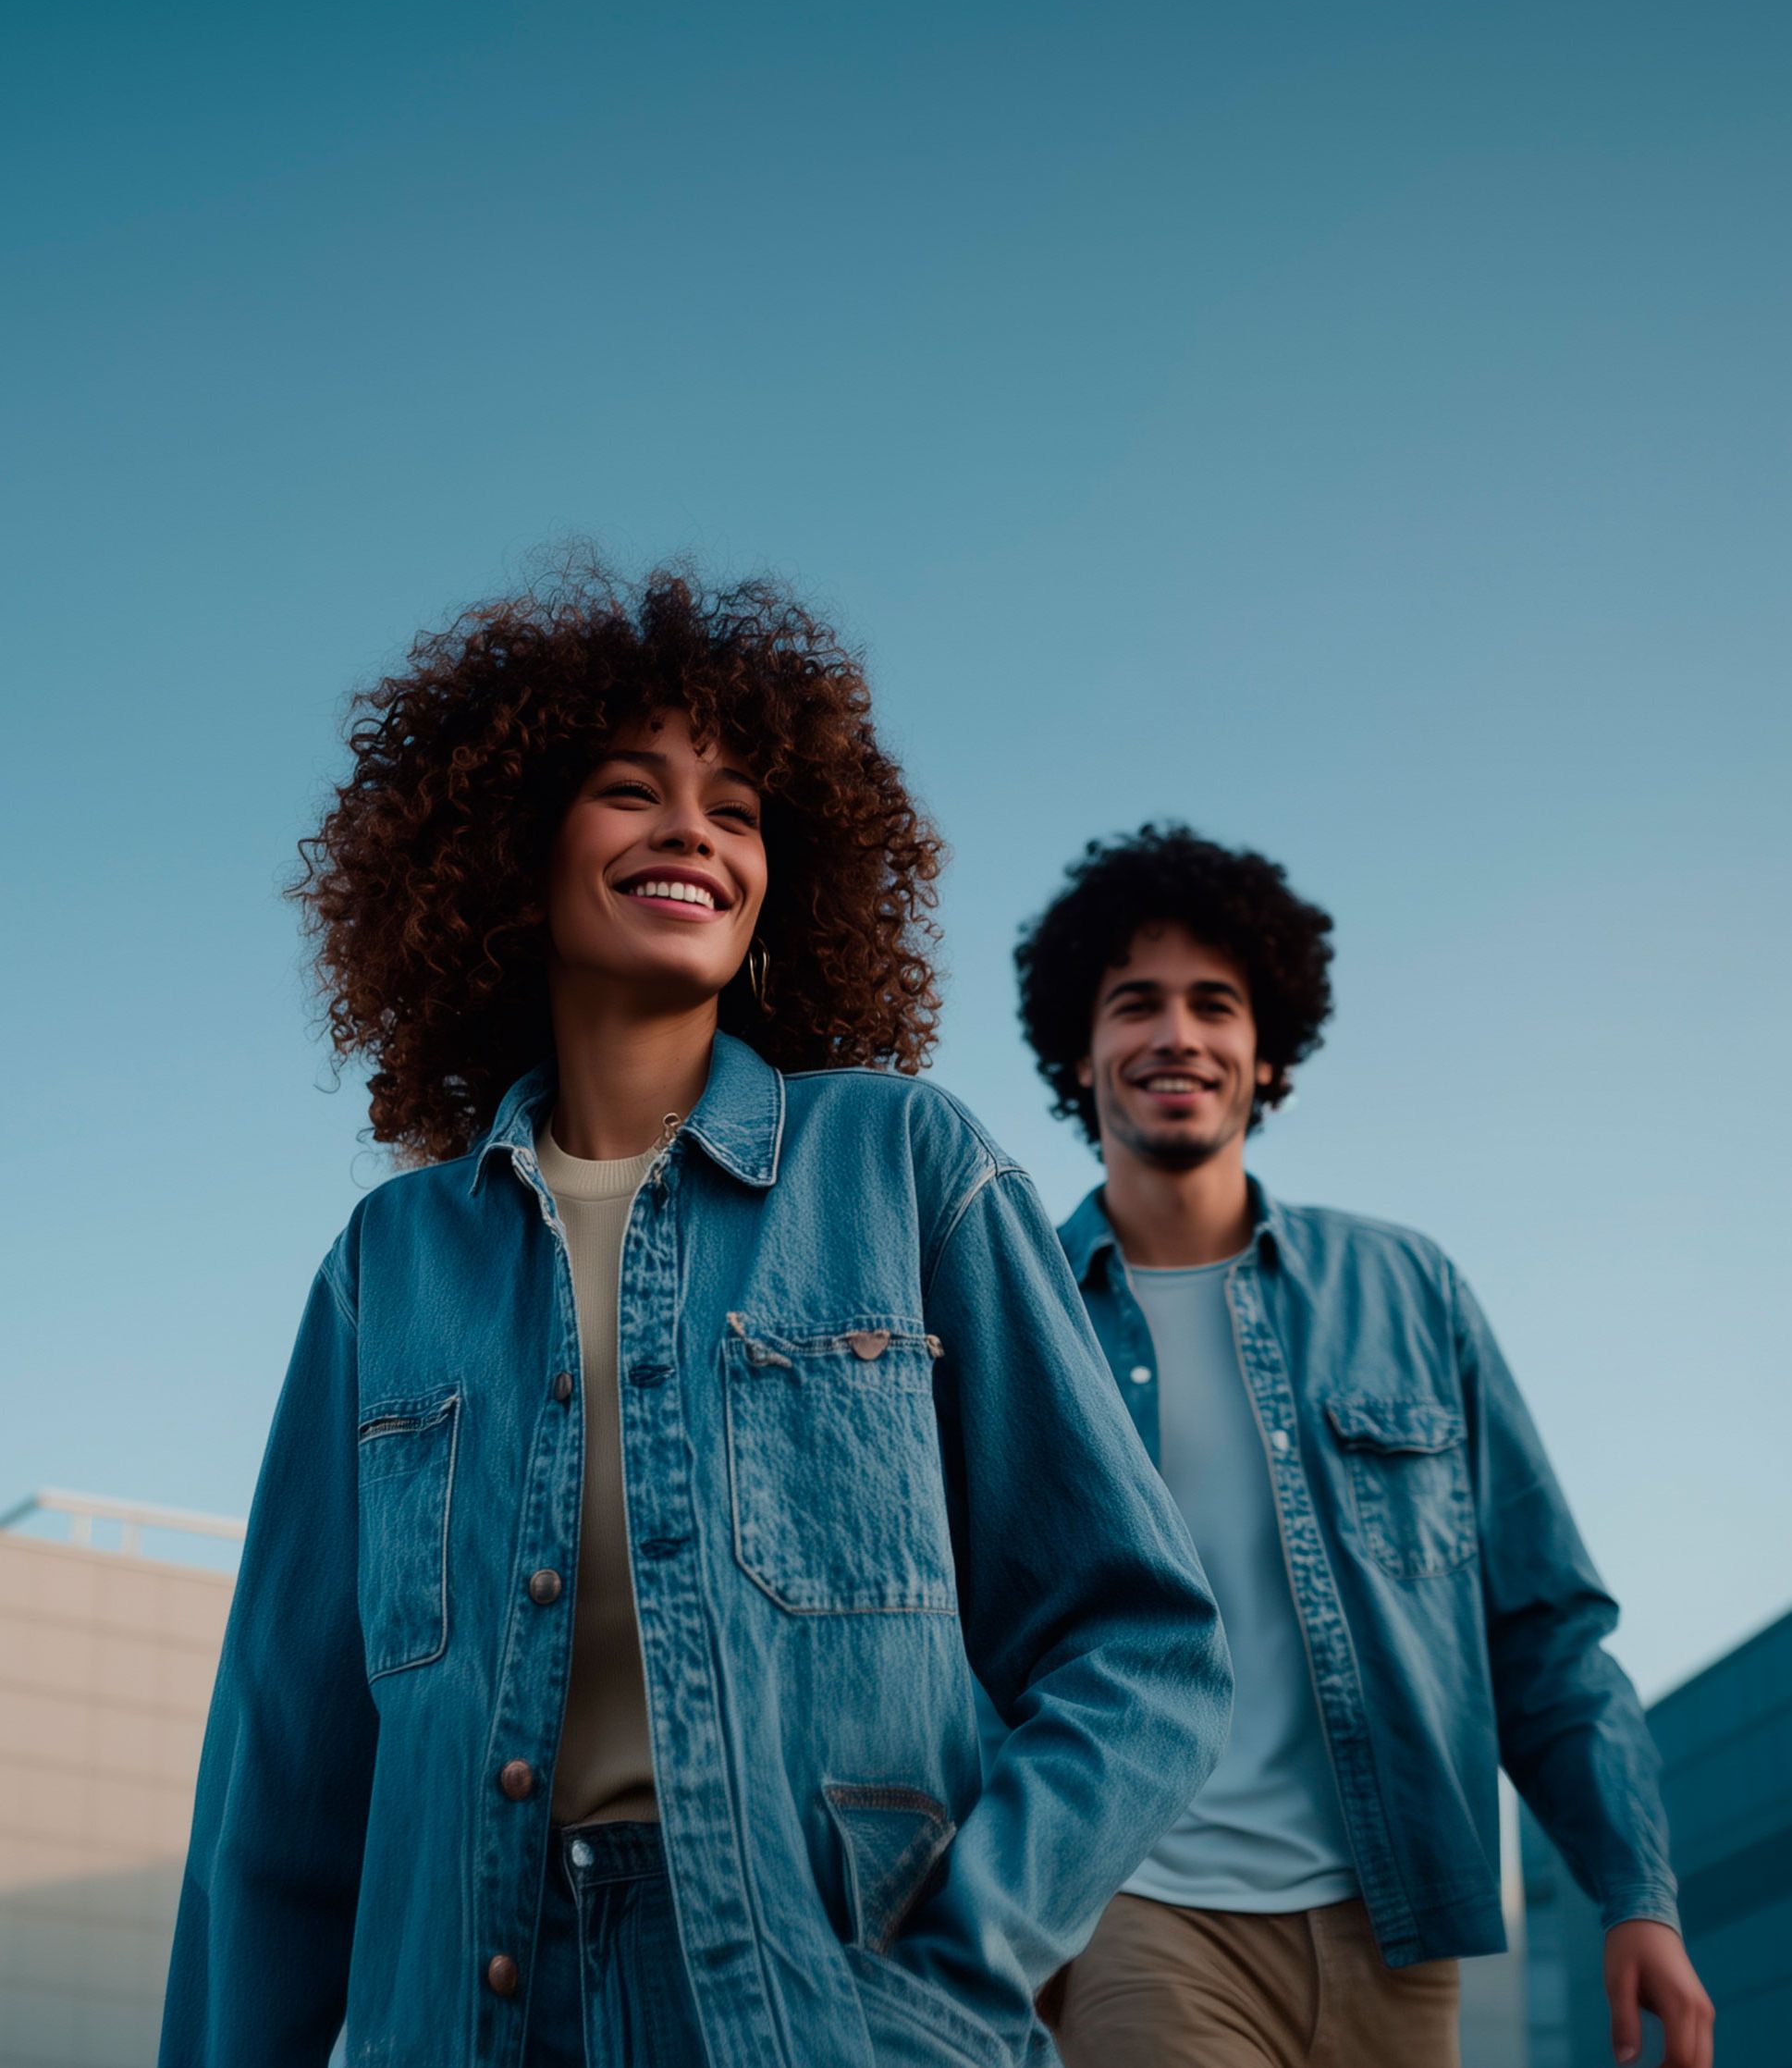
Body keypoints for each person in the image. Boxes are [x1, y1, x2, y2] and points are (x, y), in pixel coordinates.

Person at [158, 569, 1232, 2068]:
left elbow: (1143, 1644)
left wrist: (955, 1967)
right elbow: (278, 1797)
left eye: (736, 809)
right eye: (629, 791)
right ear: (507, 853)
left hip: (818, 2014)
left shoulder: (900, 1167)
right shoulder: (385, 1267)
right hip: (464, 2016)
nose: (693, 833)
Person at [1016, 824, 1714, 2068]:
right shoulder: (1016, 1309)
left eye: (1213, 1003)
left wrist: (1634, 1891)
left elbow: (1542, 1629)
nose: (1175, 1031)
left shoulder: (1406, 1290)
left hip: (1397, 1924)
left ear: (1265, 1050)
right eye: (1135, 1003)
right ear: (1079, 1052)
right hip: (1129, 1908)